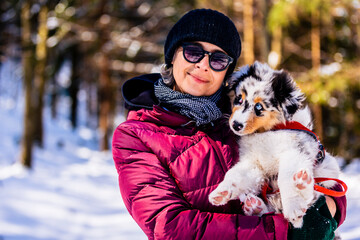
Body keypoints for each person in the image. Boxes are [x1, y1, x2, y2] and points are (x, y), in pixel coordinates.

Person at [112, 9, 346, 240]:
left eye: (218, 59)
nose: (204, 65)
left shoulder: (245, 114)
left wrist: (327, 209)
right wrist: (283, 233)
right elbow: (170, 226)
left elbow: (318, 176)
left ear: (227, 71)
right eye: (193, 52)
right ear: (172, 56)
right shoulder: (136, 135)